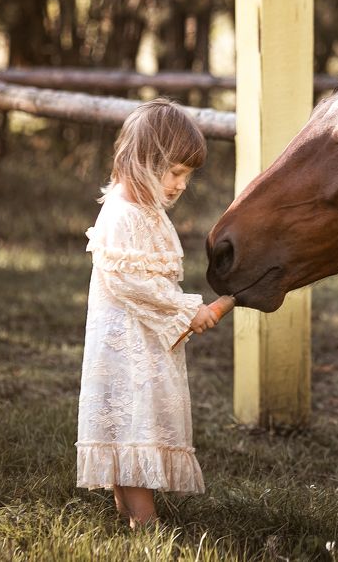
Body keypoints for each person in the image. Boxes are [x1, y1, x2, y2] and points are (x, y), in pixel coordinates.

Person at [76, 98, 218, 528]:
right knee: (134, 416)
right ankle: (144, 520)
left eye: (187, 175)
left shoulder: (146, 209)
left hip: (147, 338)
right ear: (143, 161)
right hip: (127, 345)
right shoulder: (121, 214)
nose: (180, 185)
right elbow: (129, 282)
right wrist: (186, 308)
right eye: (174, 172)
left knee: (136, 418)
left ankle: (129, 512)